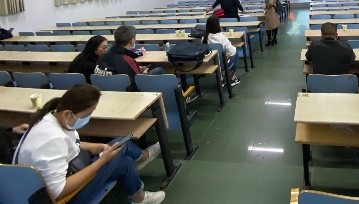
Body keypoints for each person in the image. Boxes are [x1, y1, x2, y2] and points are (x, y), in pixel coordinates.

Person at [13, 84, 165, 204]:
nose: (89, 118)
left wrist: (93, 147)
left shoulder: (49, 117)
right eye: (87, 114)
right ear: (68, 114)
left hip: (35, 189)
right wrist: (102, 161)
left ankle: (140, 195)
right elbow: (58, 191)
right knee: (122, 149)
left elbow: (68, 143)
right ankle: (143, 161)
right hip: (65, 198)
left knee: (123, 158)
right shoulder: (54, 140)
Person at [94, 26, 164, 91]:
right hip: (128, 93)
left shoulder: (102, 57)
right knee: (159, 70)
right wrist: (143, 73)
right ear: (132, 40)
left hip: (105, 91)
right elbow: (137, 81)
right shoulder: (126, 59)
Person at [202, 15, 240, 87]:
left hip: (210, 63)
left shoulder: (204, 38)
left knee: (219, 57)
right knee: (235, 53)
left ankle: (221, 79)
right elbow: (231, 51)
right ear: (218, 25)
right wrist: (227, 56)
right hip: (222, 63)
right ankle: (231, 78)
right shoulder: (221, 37)